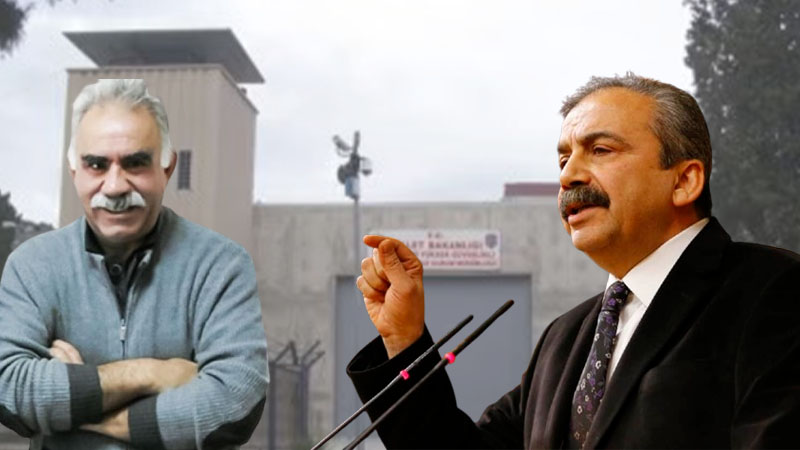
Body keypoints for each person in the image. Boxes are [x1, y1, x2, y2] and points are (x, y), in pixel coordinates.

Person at [347, 73, 800, 448]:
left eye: (600, 150)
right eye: (564, 159)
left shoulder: (775, 292)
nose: (568, 176)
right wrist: (404, 340)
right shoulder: (564, 339)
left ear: (684, 181)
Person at [0, 79, 268, 449]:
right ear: (74, 171)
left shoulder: (221, 266)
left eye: (136, 163)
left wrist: (74, 401)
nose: (114, 187)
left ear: (167, 168)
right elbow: (8, 390)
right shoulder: (32, 266)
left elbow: (237, 403)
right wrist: (151, 374)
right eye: (96, 165)